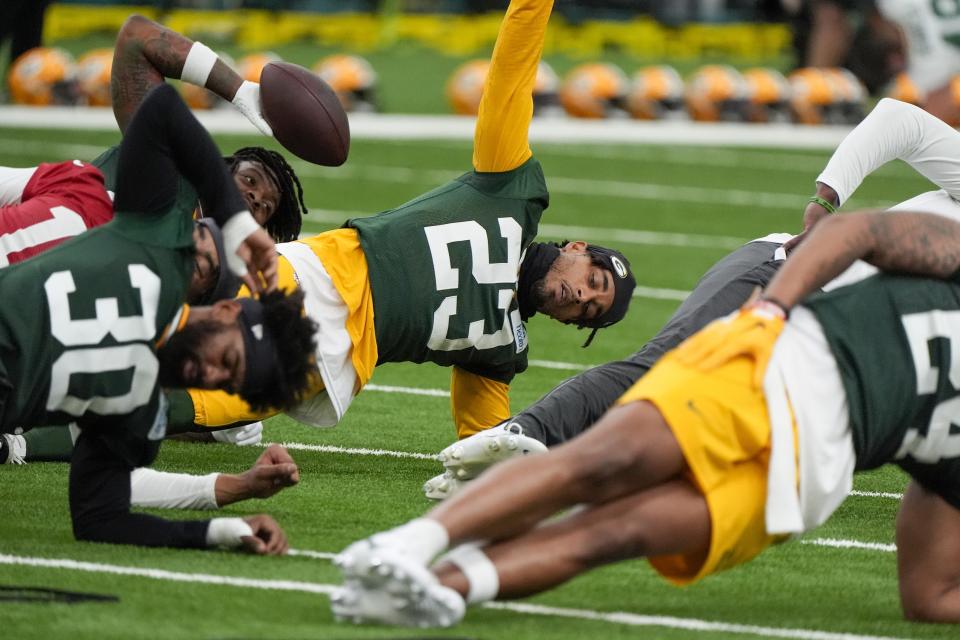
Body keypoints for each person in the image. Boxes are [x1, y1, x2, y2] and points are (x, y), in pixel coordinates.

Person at [331, 203, 960, 627]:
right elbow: (853, 231)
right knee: (600, 464)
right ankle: (405, 545)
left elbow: (928, 594)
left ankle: (430, 591)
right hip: (787, 364)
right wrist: (774, 309)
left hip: (811, 472)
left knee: (615, 535)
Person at [424, 96, 960, 497]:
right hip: (792, 276)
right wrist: (826, 198)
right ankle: (518, 436)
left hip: (846, 337)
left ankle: (537, 472)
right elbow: (900, 120)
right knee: (661, 371)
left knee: (703, 433)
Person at [167, 0, 636, 443]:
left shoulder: (501, 352)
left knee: (224, 399)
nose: (582, 297)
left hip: (343, 357)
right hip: (327, 272)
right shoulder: (512, 192)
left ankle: (115, 410)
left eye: (588, 310)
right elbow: (511, 76)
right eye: (594, 280)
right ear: (576, 248)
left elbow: (485, 441)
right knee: (188, 283)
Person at [0, 82, 318, 553]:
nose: (209, 373)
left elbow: (100, 516)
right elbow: (163, 109)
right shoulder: (157, 247)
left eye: (224, 381)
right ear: (228, 309)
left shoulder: (139, 409)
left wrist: (219, 530)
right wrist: (235, 220)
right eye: (226, 359)